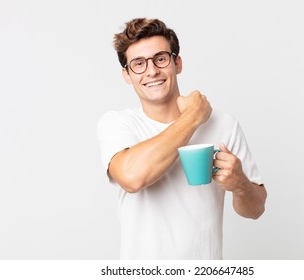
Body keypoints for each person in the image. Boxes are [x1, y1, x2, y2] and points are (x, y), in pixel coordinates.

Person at [97, 18, 267, 260]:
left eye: (161, 58)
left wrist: (240, 184)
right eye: (138, 64)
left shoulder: (224, 125)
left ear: (177, 63)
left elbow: (256, 210)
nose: (152, 70)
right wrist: (194, 116)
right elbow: (132, 178)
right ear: (126, 75)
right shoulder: (118, 124)